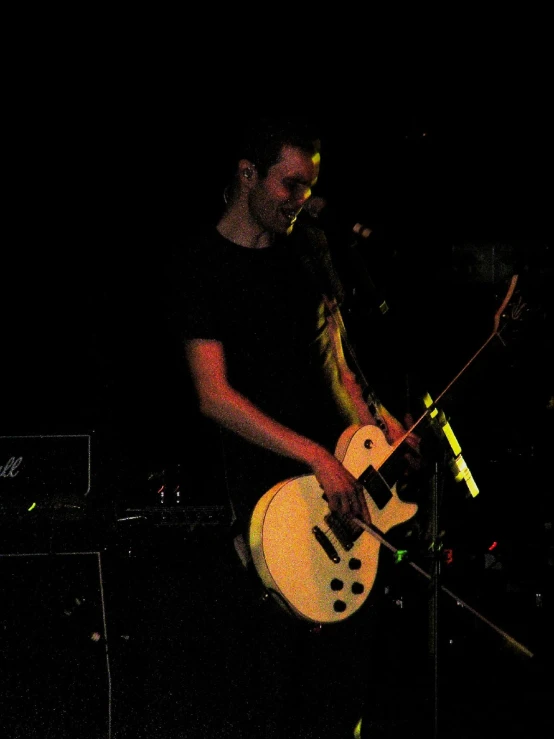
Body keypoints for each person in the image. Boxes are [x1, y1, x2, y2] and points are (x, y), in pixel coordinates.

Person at [166, 116, 425, 739]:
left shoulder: (308, 257)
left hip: (341, 498)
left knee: (339, 699)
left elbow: (338, 363)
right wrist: (315, 456)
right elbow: (213, 395)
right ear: (247, 174)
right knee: (267, 697)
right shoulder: (199, 264)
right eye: (290, 185)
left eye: (308, 187)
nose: (300, 201)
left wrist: (380, 425)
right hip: (264, 507)